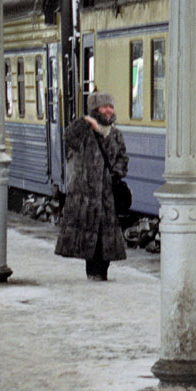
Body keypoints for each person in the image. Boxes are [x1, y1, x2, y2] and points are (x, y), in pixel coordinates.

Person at [55, 92, 128, 281]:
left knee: (106, 237)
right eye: (104, 107)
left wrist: (116, 174)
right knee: (91, 238)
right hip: (86, 194)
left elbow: (122, 158)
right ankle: (93, 274)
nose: (108, 110)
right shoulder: (84, 133)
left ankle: (101, 272)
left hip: (107, 194)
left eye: (110, 107)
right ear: (95, 109)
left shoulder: (116, 135)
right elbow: (68, 137)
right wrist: (85, 121)